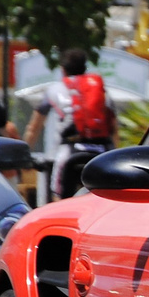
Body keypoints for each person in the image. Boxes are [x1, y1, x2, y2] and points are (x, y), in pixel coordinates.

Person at [23, 50, 115, 201]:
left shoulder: (54, 90)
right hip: (101, 151)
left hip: (69, 152)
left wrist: (25, 155)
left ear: (62, 69)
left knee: (58, 199)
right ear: (85, 68)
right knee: (106, 197)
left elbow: (34, 127)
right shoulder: (101, 92)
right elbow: (114, 128)